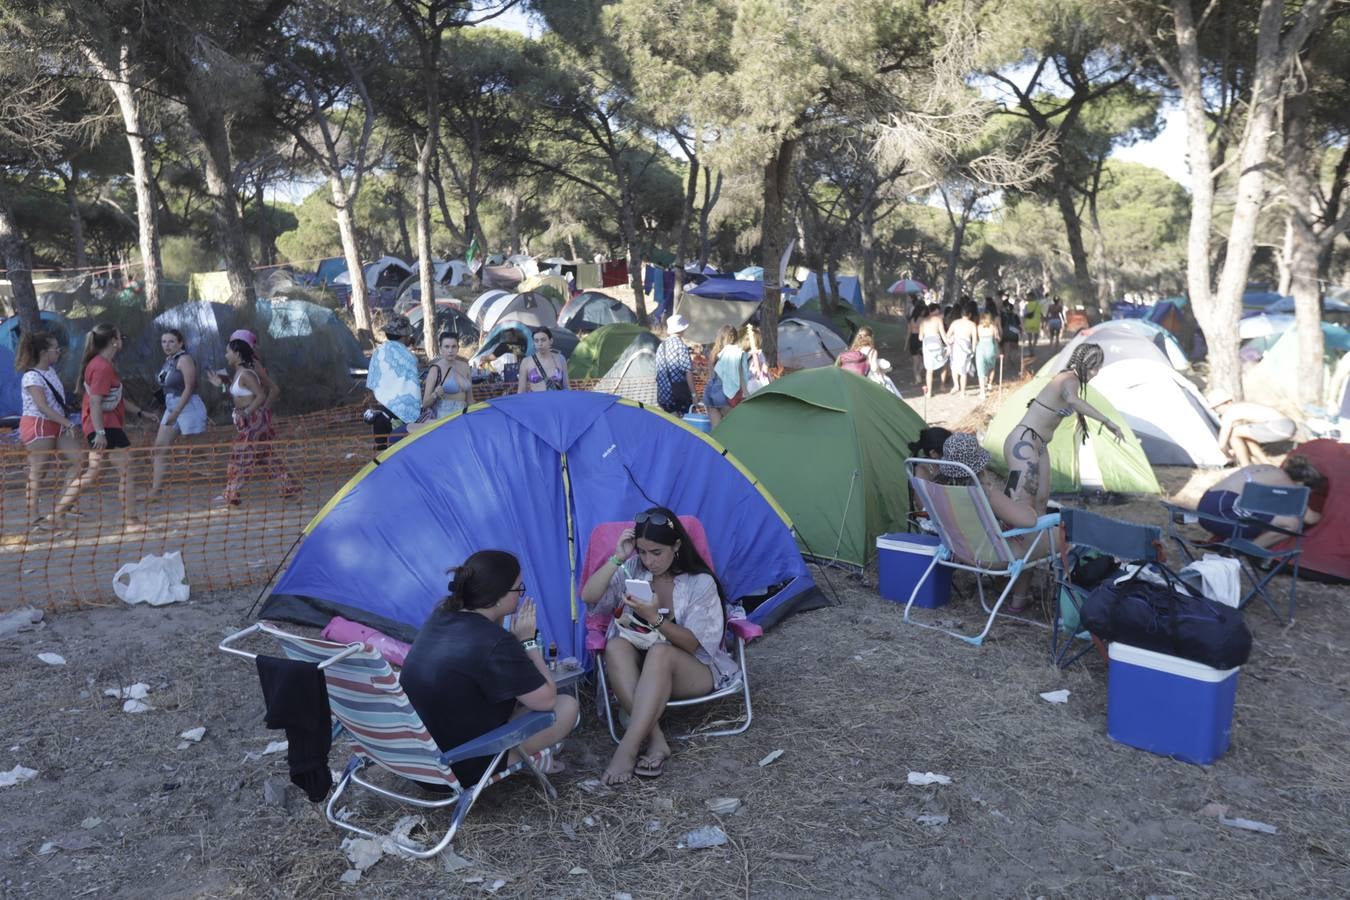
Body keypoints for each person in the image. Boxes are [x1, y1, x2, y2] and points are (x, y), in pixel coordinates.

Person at [580, 508, 737, 784]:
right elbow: (589, 596)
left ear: (676, 546)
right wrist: (618, 557)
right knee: (615, 646)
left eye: (656, 552)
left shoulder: (700, 583)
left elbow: (693, 645)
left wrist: (655, 619)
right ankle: (656, 740)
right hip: (644, 671)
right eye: (642, 551)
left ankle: (626, 750)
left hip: (692, 670)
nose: (648, 560)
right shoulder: (633, 570)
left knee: (661, 651)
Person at [401, 550, 579, 786]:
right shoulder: (494, 642)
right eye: (518, 589)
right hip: (459, 768)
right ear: (497, 596)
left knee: (517, 696)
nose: (521, 596)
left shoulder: (441, 616)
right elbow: (546, 700)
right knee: (566, 707)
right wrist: (528, 643)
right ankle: (523, 759)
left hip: (421, 765)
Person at [52, 323, 158, 529]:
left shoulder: (102, 365)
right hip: (105, 427)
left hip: (104, 426)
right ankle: (131, 521)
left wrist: (140, 412)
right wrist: (100, 432)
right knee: (126, 471)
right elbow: (95, 402)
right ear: (113, 341)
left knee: (93, 473)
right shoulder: (101, 366)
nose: (122, 341)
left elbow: (114, 398)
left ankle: (56, 514)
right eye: (120, 337)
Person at [1003, 343, 1124, 514]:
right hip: (1024, 440)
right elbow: (1073, 400)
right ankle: (1002, 532)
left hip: (1040, 446)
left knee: (1042, 498)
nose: (1096, 373)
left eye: (1097, 368)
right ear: (1083, 364)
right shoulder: (1069, 379)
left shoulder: (1070, 380)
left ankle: (1037, 537)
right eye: (1093, 368)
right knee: (1021, 498)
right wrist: (1107, 421)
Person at [935, 433, 1044, 611]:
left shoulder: (939, 490)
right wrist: (1022, 504)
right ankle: (1019, 600)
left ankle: (1004, 586)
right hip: (991, 557)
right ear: (980, 465)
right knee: (1034, 539)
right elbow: (1029, 521)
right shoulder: (984, 492)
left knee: (1018, 538)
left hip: (959, 551)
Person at [207, 338, 298, 507]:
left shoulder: (247, 374)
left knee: (240, 456)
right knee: (266, 456)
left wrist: (248, 413)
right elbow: (237, 395)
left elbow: (261, 396)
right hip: (250, 421)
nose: (226, 355)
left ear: (237, 354)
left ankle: (231, 493)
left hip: (254, 421)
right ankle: (288, 488)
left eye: (228, 352)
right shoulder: (239, 372)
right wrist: (220, 385)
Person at [15, 331, 81, 530]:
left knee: (78, 461)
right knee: (38, 471)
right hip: (38, 425)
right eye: (56, 349)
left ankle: (63, 507)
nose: (59, 352)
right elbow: (43, 406)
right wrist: (68, 423)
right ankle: (35, 518)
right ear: (43, 352)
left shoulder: (50, 371)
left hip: (57, 424)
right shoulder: (31, 377)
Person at [1197, 456, 1324, 549]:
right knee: (1292, 524)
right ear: (1302, 484)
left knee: (1272, 518)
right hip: (1222, 511)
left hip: (1207, 506)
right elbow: (1310, 518)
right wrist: (1329, 515)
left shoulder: (1267, 469)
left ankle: (1240, 543)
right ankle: (1246, 550)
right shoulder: (1287, 482)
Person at [147, 328, 209, 504]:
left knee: (199, 452)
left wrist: (176, 413)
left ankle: (229, 484)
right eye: (164, 342)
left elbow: (189, 388)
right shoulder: (168, 361)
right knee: (159, 448)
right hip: (171, 404)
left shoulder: (185, 359)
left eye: (171, 341)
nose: (167, 345)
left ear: (180, 343)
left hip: (187, 406)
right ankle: (155, 490)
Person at [1208, 389, 1297, 467]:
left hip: (1279, 427)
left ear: (1223, 404)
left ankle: (1245, 466)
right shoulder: (1241, 406)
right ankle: (1266, 463)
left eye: (1215, 408)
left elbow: (1221, 445)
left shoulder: (1229, 413)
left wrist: (1228, 456)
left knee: (1234, 433)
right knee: (1243, 434)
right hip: (1288, 425)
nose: (1216, 411)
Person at [422, 331, 474, 417]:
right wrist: (435, 394)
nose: (450, 350)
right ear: (441, 348)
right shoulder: (435, 369)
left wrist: (474, 415)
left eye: (453, 347)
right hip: (444, 417)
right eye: (446, 347)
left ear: (458, 348)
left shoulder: (465, 366)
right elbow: (425, 403)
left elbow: (470, 399)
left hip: (464, 414)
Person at [703, 325, 746, 426]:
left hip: (710, 391)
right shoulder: (735, 353)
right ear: (734, 337)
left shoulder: (713, 353)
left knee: (716, 431)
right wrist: (747, 394)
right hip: (724, 392)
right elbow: (739, 376)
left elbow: (711, 375)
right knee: (732, 426)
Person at [654, 314, 696, 416]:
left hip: (663, 394)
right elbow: (688, 372)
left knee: (672, 423)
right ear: (682, 330)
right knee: (685, 423)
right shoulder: (681, 347)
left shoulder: (661, 345)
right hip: (678, 395)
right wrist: (694, 394)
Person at [517, 327, 569, 394]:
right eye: (536, 341)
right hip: (535, 402)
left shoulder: (560, 359)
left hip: (556, 401)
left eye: (543, 340)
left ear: (551, 341)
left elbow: (567, 387)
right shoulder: (526, 362)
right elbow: (521, 391)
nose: (540, 344)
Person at [946, 301, 979, 396]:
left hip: (956, 347)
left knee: (954, 368)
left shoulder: (955, 323)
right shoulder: (972, 324)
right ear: (970, 314)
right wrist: (973, 350)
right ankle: (963, 392)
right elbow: (974, 340)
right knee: (964, 371)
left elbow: (948, 335)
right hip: (966, 348)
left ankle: (956, 384)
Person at [918, 303, 949, 396]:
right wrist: (948, 345)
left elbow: (920, 337)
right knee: (943, 365)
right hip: (937, 344)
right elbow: (943, 334)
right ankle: (942, 386)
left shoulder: (923, 321)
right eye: (937, 310)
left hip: (927, 346)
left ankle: (929, 392)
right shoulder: (938, 320)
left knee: (929, 369)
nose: (939, 312)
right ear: (933, 310)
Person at [975, 309, 1000, 399]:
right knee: (991, 367)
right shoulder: (993, 327)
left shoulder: (978, 327)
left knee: (981, 371)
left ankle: (982, 393)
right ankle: (989, 384)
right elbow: (998, 338)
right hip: (991, 348)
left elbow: (976, 339)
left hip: (981, 349)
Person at [907, 298, 925, 383]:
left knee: (915, 361)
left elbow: (908, 333)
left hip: (912, 339)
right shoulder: (922, 319)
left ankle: (917, 378)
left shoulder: (911, 320)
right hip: (920, 339)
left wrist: (906, 343)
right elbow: (923, 332)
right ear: (920, 311)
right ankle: (918, 373)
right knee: (923, 360)